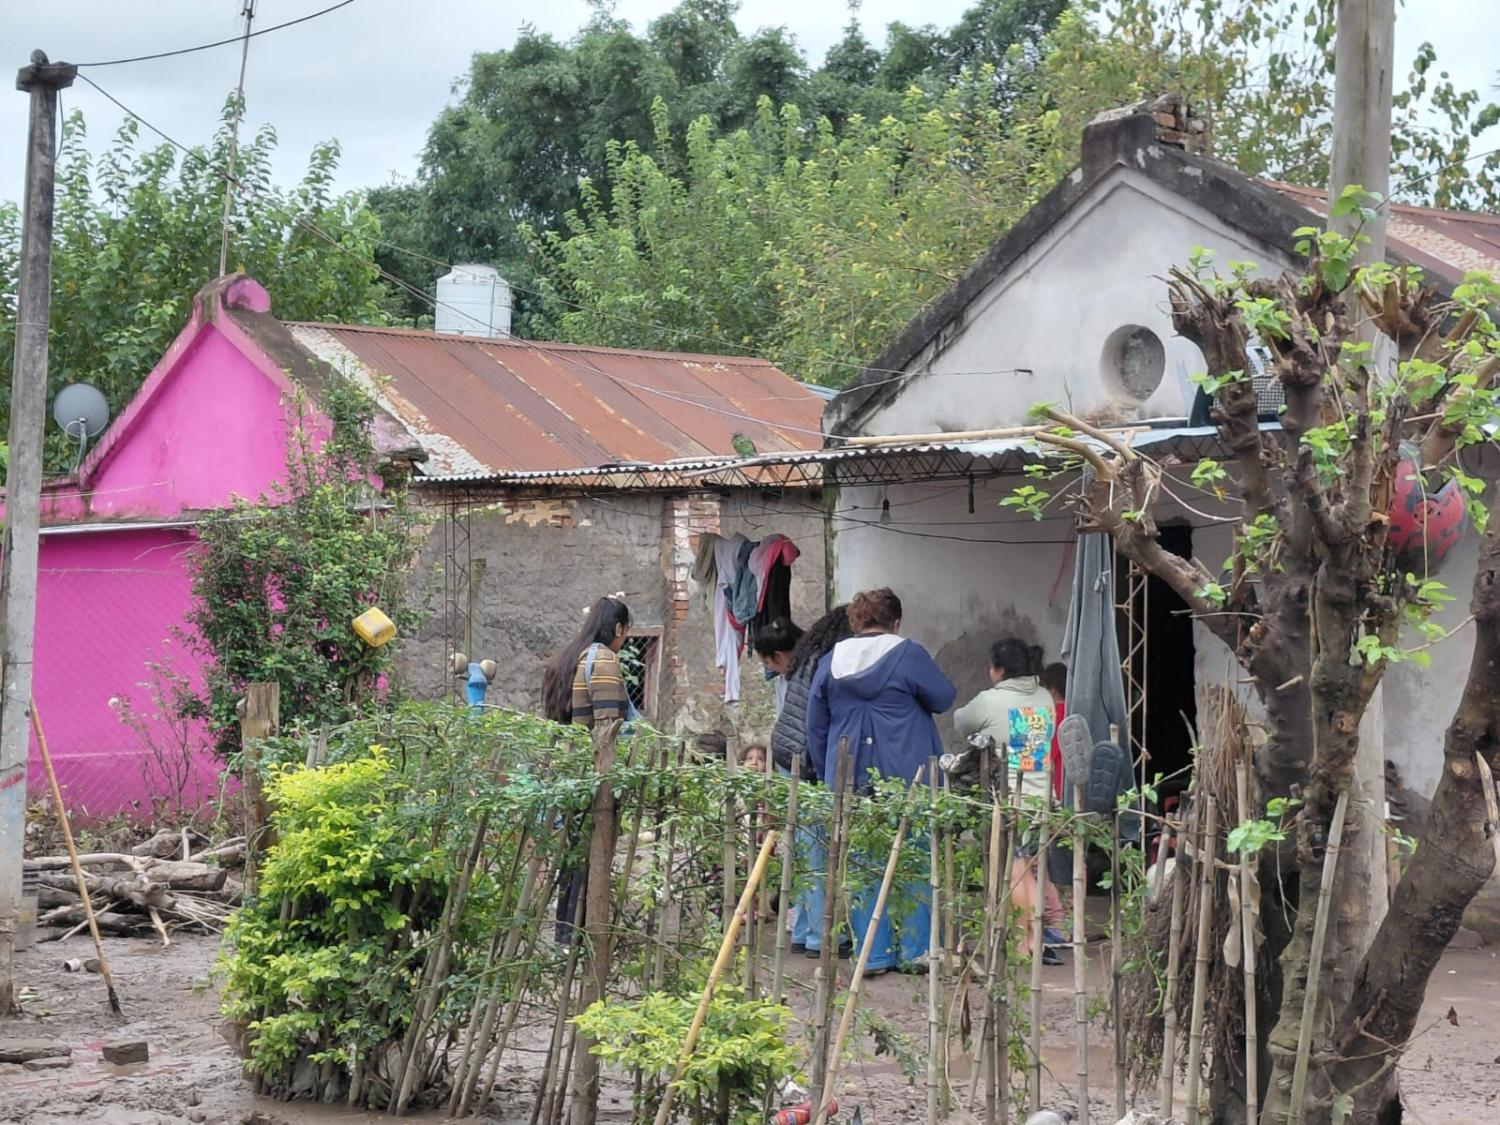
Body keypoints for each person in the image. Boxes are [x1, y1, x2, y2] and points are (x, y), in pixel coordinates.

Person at [806, 588, 956, 974]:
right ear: (896, 621)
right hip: (908, 772)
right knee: (915, 858)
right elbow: (943, 697)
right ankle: (916, 950)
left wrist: (828, 772)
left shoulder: (830, 661)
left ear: (856, 621)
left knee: (862, 862)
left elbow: (815, 726)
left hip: (849, 772)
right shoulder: (909, 655)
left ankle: (872, 953)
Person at [954, 638, 1066, 963]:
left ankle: (1022, 942)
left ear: (999, 669)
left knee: (1015, 871)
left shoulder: (991, 700)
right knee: (1026, 869)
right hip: (1040, 796)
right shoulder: (1043, 697)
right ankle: (1033, 940)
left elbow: (961, 722)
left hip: (1010, 799)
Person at [540, 596, 632, 942]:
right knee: (586, 860)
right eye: (626, 633)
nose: (625, 641)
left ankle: (565, 936)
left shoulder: (568, 659)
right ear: (618, 628)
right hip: (591, 776)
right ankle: (574, 937)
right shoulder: (603, 659)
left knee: (572, 859)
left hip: (569, 772)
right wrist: (609, 778)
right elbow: (607, 728)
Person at [771, 606, 853, 957]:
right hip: (805, 760)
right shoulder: (830, 661)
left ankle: (804, 932)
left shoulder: (808, 656)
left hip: (788, 755)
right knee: (817, 850)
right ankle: (822, 937)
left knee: (805, 851)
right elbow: (818, 725)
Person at [753, 618, 804, 716]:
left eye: (767, 662)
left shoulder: (808, 679)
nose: (769, 668)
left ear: (778, 656)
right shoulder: (783, 679)